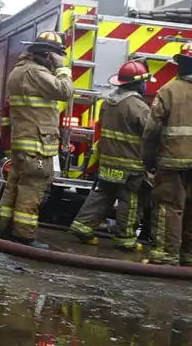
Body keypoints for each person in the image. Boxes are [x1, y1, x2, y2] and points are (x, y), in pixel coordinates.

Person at [142, 41, 192, 266]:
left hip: (171, 162)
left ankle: (166, 257)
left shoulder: (168, 90)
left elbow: (151, 129)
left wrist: (148, 159)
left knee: (169, 208)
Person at [0, 30, 74, 249]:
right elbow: (65, 91)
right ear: (49, 55)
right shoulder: (36, 73)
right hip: (37, 146)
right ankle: (24, 235)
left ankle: (6, 230)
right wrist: (62, 68)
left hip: (23, 142)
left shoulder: (19, 71)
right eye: (57, 55)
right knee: (32, 189)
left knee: (14, 187)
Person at [69, 59, 151, 251]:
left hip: (108, 161)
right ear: (138, 83)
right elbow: (150, 132)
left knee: (102, 194)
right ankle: (125, 239)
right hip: (130, 164)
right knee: (130, 200)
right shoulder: (138, 106)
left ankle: (83, 226)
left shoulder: (108, 102)